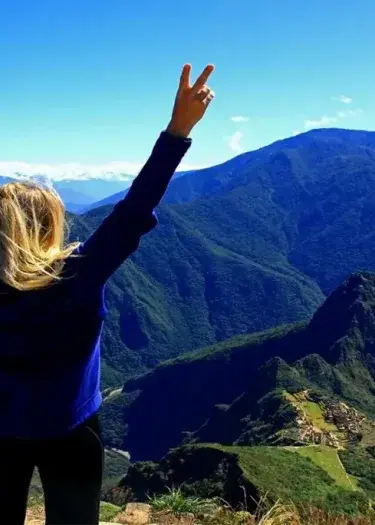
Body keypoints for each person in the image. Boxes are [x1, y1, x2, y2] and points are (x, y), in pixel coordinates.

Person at [0, 63, 215, 525]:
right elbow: (135, 209)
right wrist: (178, 130)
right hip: (72, 429)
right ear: (49, 225)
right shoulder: (76, 274)